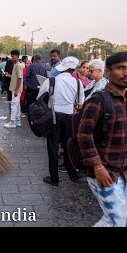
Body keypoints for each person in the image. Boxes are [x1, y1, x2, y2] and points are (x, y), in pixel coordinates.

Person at [77, 51, 127, 227]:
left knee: (114, 220)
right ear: (108, 72)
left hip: (124, 171)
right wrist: (97, 166)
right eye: (121, 68)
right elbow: (83, 135)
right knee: (116, 221)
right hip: (104, 171)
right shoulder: (99, 100)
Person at [39, 56, 84, 186]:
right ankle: (73, 173)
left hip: (53, 116)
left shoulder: (51, 80)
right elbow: (80, 102)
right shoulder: (77, 82)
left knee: (53, 147)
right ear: (73, 69)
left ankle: (54, 178)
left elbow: (40, 97)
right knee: (68, 146)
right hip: (70, 117)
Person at [4, 50, 23, 128]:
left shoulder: (17, 65)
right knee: (17, 105)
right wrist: (9, 75)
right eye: (11, 56)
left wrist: (16, 90)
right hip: (16, 88)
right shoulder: (16, 65)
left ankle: (12, 122)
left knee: (14, 105)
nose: (12, 58)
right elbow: (16, 77)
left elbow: (19, 78)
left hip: (16, 89)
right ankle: (18, 120)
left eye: (13, 56)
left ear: (17, 56)